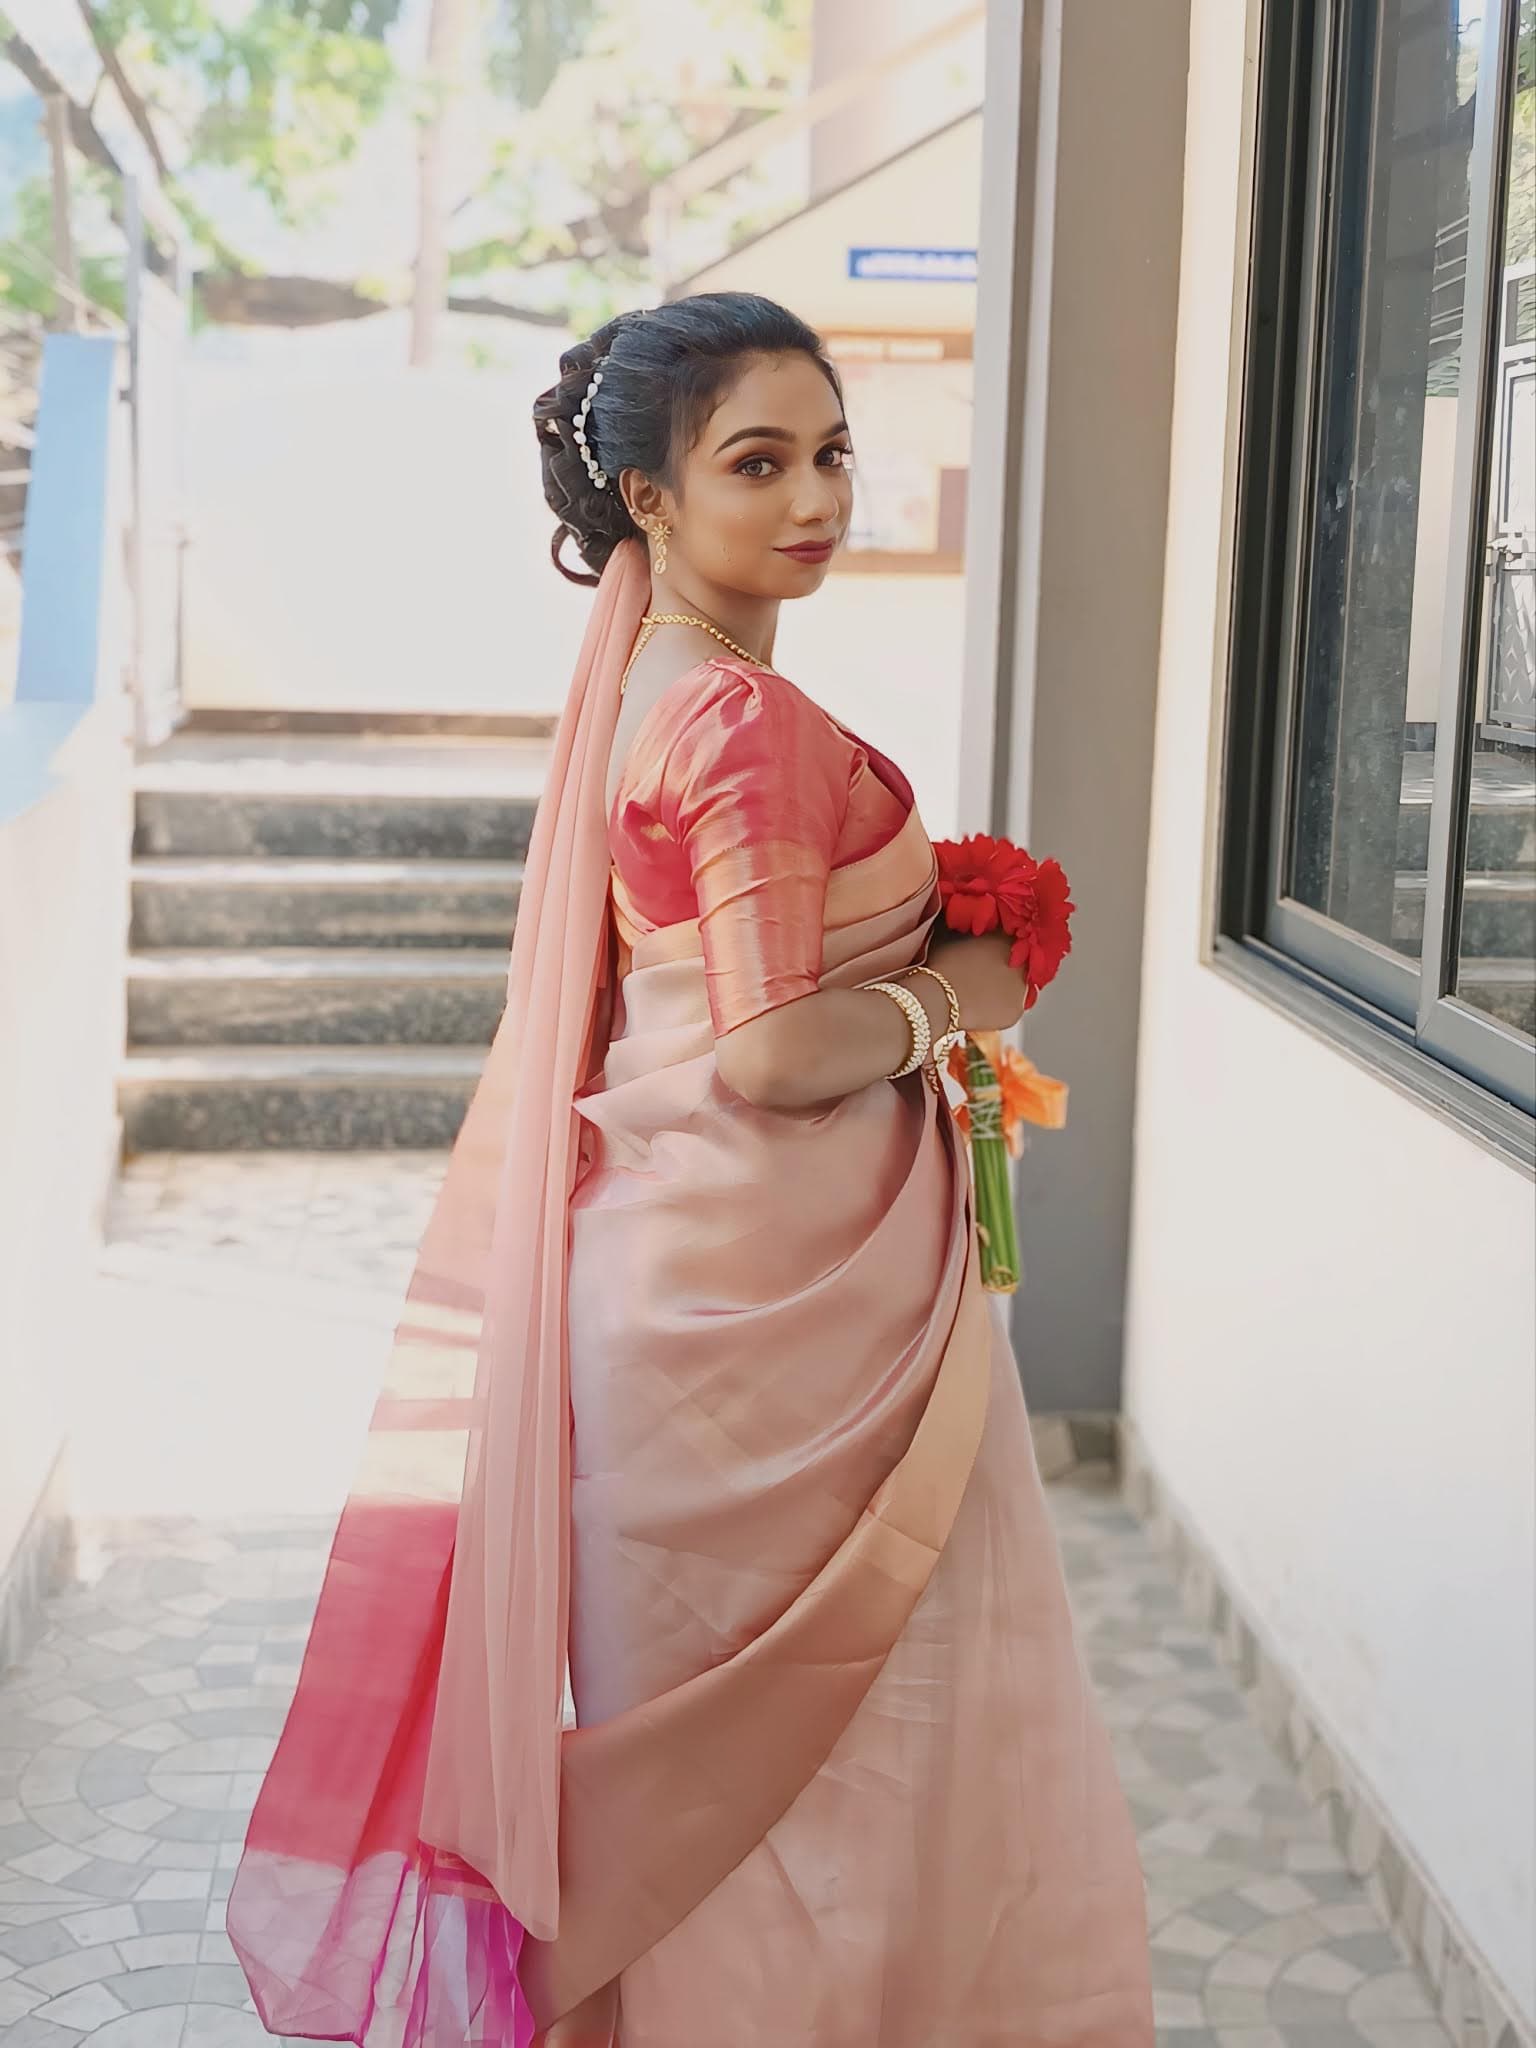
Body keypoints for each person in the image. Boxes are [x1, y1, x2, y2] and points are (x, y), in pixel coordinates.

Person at [227, 291, 1154, 2048]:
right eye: (757, 462)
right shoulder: (733, 723)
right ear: (648, 500)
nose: (814, 498)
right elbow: (767, 1052)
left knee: (754, 1812)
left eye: (831, 453)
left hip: (698, 1310)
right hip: (765, 1344)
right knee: (818, 1794)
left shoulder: (657, 688)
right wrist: (963, 990)